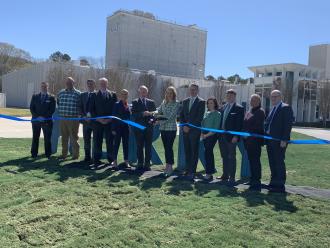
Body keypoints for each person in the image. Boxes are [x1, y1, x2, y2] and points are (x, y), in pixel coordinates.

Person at [264, 90, 293, 193]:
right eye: (272, 97)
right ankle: (273, 182)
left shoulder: (285, 107)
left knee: (279, 162)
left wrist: (284, 139)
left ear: (280, 97)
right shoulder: (273, 109)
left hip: (279, 142)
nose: (273, 99)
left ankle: (280, 185)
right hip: (270, 141)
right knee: (272, 162)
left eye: (275, 96)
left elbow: (288, 125)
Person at [179, 83, 205, 180]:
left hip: (194, 131)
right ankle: (187, 169)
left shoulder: (201, 102)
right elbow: (181, 115)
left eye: (194, 90)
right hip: (185, 130)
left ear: (197, 91)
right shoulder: (185, 101)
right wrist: (184, 126)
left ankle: (192, 171)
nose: (192, 91)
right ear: (189, 90)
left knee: (194, 151)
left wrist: (189, 126)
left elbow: (199, 117)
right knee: (187, 150)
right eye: (191, 89)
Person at [218, 89, 244, 183]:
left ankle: (232, 177)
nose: (229, 97)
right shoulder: (223, 107)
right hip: (221, 136)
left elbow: (239, 124)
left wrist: (236, 136)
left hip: (232, 138)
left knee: (231, 157)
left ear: (235, 96)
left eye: (231, 95)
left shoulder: (239, 108)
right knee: (224, 156)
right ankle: (225, 175)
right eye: (228, 95)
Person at [90, 77, 117, 165]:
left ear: (107, 84)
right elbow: (91, 109)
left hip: (109, 123)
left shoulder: (113, 95)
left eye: (104, 83)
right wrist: (98, 118)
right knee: (97, 141)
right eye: (101, 83)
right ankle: (96, 160)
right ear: (99, 84)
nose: (103, 85)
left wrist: (110, 119)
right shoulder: (94, 95)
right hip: (98, 123)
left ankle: (111, 160)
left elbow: (115, 109)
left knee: (110, 142)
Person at [155, 86, 180, 176]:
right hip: (163, 129)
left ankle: (170, 167)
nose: (169, 94)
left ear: (174, 94)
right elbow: (158, 111)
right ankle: (167, 166)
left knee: (169, 147)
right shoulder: (163, 102)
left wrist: (158, 122)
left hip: (171, 129)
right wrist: (151, 113)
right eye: (167, 92)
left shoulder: (176, 103)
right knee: (166, 148)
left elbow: (170, 117)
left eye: (171, 93)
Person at [243, 94, 265, 190]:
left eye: (255, 100)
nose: (253, 102)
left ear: (259, 101)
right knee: (251, 161)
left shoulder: (260, 112)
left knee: (255, 161)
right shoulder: (250, 111)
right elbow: (245, 123)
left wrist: (248, 132)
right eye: (251, 100)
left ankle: (256, 181)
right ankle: (252, 179)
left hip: (255, 142)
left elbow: (258, 126)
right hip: (248, 142)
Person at [131, 85, 156, 171]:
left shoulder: (151, 102)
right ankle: (140, 163)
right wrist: (142, 114)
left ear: (147, 92)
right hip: (138, 128)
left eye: (145, 91)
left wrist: (152, 121)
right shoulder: (134, 102)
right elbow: (133, 115)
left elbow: (154, 115)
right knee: (139, 146)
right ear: (139, 92)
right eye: (142, 91)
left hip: (149, 128)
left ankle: (147, 164)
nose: (143, 93)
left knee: (148, 147)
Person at [29, 82, 56, 159]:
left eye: (45, 86)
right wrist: (37, 117)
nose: (44, 87)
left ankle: (48, 154)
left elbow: (52, 110)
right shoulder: (35, 96)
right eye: (42, 86)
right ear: (40, 87)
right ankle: (34, 154)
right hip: (36, 121)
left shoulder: (52, 97)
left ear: (48, 87)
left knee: (47, 138)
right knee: (35, 137)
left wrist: (43, 117)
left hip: (47, 121)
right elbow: (31, 108)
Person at [57, 77, 81, 160]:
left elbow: (80, 106)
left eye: (70, 83)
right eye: (67, 83)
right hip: (63, 118)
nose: (68, 84)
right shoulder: (61, 93)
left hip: (73, 119)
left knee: (74, 138)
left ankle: (75, 155)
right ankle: (64, 154)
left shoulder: (78, 94)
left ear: (73, 83)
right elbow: (58, 102)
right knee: (64, 137)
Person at [200, 97, 221, 181]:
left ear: (215, 104)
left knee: (208, 153)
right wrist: (202, 133)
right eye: (208, 103)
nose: (209, 104)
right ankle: (209, 172)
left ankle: (209, 174)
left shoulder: (217, 114)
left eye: (211, 103)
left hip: (212, 136)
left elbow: (215, 128)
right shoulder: (206, 113)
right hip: (204, 135)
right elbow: (202, 124)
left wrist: (206, 135)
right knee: (207, 153)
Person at [112, 89, 131, 169]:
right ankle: (114, 161)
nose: (125, 95)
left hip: (126, 129)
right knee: (116, 145)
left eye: (126, 94)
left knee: (126, 145)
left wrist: (129, 127)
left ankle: (126, 161)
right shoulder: (116, 104)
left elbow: (129, 118)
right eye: (123, 94)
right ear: (120, 95)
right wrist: (113, 129)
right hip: (117, 129)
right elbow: (113, 117)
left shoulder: (128, 105)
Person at [79, 79, 96, 162]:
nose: (90, 85)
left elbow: (99, 108)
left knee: (95, 140)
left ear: (94, 85)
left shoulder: (97, 95)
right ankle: (87, 156)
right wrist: (83, 116)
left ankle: (95, 157)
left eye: (91, 84)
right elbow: (80, 107)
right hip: (85, 122)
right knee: (86, 140)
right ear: (87, 85)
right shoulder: (83, 95)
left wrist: (92, 117)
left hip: (95, 122)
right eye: (88, 84)